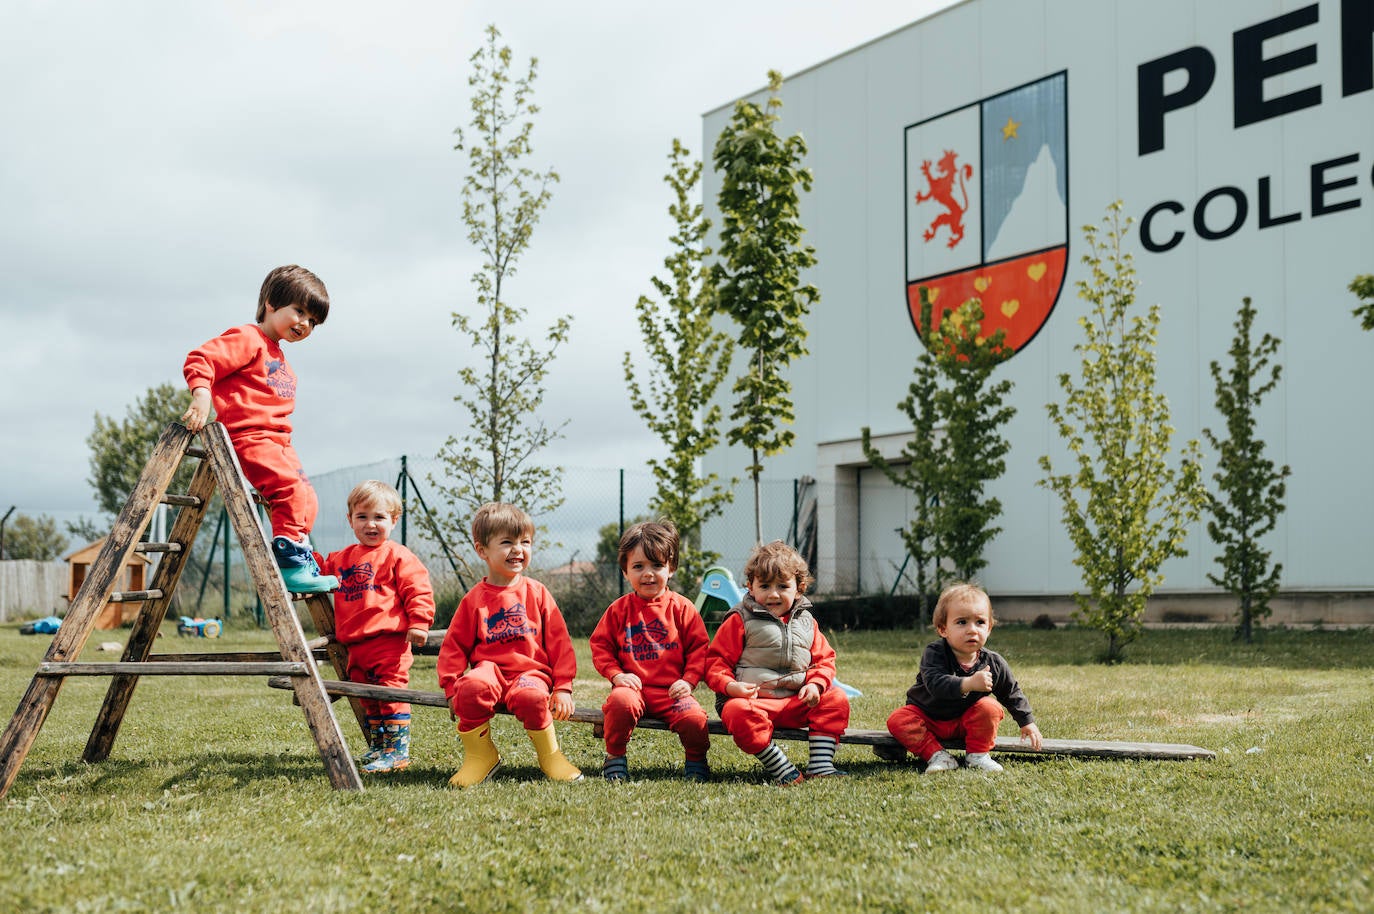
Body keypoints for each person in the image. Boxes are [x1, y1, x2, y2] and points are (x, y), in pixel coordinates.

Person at [181, 264, 337, 593]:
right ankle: (290, 563)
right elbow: (202, 359)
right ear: (270, 303)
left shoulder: (279, 357)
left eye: (312, 321)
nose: (304, 324)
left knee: (308, 499)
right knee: (291, 492)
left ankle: (299, 553)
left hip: (280, 442)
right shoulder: (248, 338)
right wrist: (202, 396)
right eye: (299, 311)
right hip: (250, 438)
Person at [437, 502, 582, 786]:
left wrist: (563, 687)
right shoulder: (474, 599)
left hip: (531, 675)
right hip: (489, 671)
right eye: (507, 542)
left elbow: (560, 644)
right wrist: (451, 686)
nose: (518, 549)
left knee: (531, 697)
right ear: (482, 550)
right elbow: (454, 646)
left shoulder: (537, 593)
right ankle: (481, 757)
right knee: (471, 687)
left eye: (525, 542)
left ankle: (550, 755)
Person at [706, 540, 850, 785]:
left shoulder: (807, 623)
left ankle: (821, 764)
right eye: (765, 586)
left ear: (799, 588)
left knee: (836, 699)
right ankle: (780, 766)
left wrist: (815, 686)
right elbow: (715, 663)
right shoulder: (739, 619)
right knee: (735, 711)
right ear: (750, 587)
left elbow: (825, 661)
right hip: (755, 702)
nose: (773, 593)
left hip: (797, 702)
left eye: (782, 586)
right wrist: (731, 687)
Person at [315, 481, 434, 774]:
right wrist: (298, 552)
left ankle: (397, 750)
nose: (371, 524)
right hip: (355, 645)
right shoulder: (342, 559)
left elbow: (418, 590)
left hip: (388, 642)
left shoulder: (398, 556)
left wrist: (419, 622)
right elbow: (318, 569)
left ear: (393, 520)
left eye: (379, 517)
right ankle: (380, 745)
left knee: (389, 693)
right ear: (350, 520)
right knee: (367, 695)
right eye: (362, 517)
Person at [590, 521, 711, 782]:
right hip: (633, 689)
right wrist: (616, 675)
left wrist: (688, 681)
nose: (648, 574)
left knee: (694, 719)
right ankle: (615, 757)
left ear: (671, 568)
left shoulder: (683, 608)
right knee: (620, 703)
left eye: (657, 566)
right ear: (625, 571)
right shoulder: (618, 610)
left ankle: (696, 760)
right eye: (638, 566)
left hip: (672, 692)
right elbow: (600, 647)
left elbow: (700, 649)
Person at [886, 582, 1043, 773]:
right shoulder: (935, 653)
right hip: (929, 718)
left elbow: (1011, 692)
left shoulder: (993, 662)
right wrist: (968, 683)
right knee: (899, 718)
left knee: (990, 707)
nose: (972, 630)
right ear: (943, 629)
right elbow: (936, 684)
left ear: (989, 628)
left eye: (980, 622)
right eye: (962, 622)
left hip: (967, 722)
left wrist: (1027, 722)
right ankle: (938, 756)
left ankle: (977, 755)